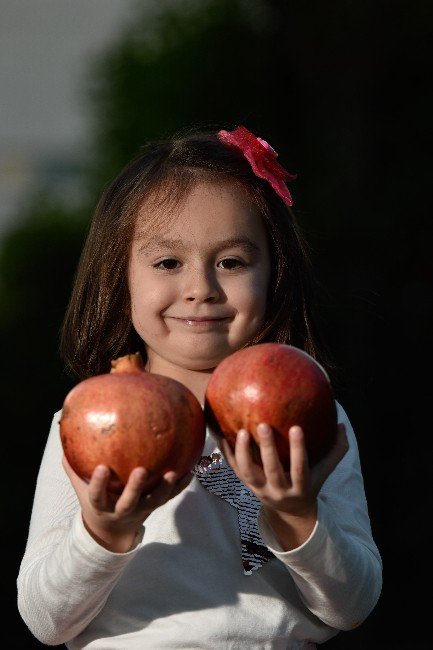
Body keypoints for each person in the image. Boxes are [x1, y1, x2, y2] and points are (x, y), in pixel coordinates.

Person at [17, 124, 382, 649]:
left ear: (274, 275)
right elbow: (45, 620)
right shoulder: (86, 423)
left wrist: (299, 515)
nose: (201, 289)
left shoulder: (311, 414)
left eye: (231, 262)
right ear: (119, 281)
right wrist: (103, 533)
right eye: (168, 262)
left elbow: (353, 606)